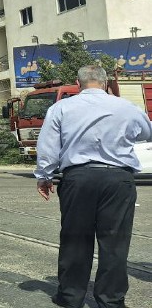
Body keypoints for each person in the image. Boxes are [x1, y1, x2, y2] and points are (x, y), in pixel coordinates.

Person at [34, 65, 152, 308]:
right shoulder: (125, 106)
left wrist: (44, 176)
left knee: (75, 239)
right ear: (106, 83)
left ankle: (70, 297)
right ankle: (111, 300)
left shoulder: (61, 108)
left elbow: (47, 147)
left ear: (78, 85)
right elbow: (146, 133)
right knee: (115, 242)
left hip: (78, 179)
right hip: (118, 180)